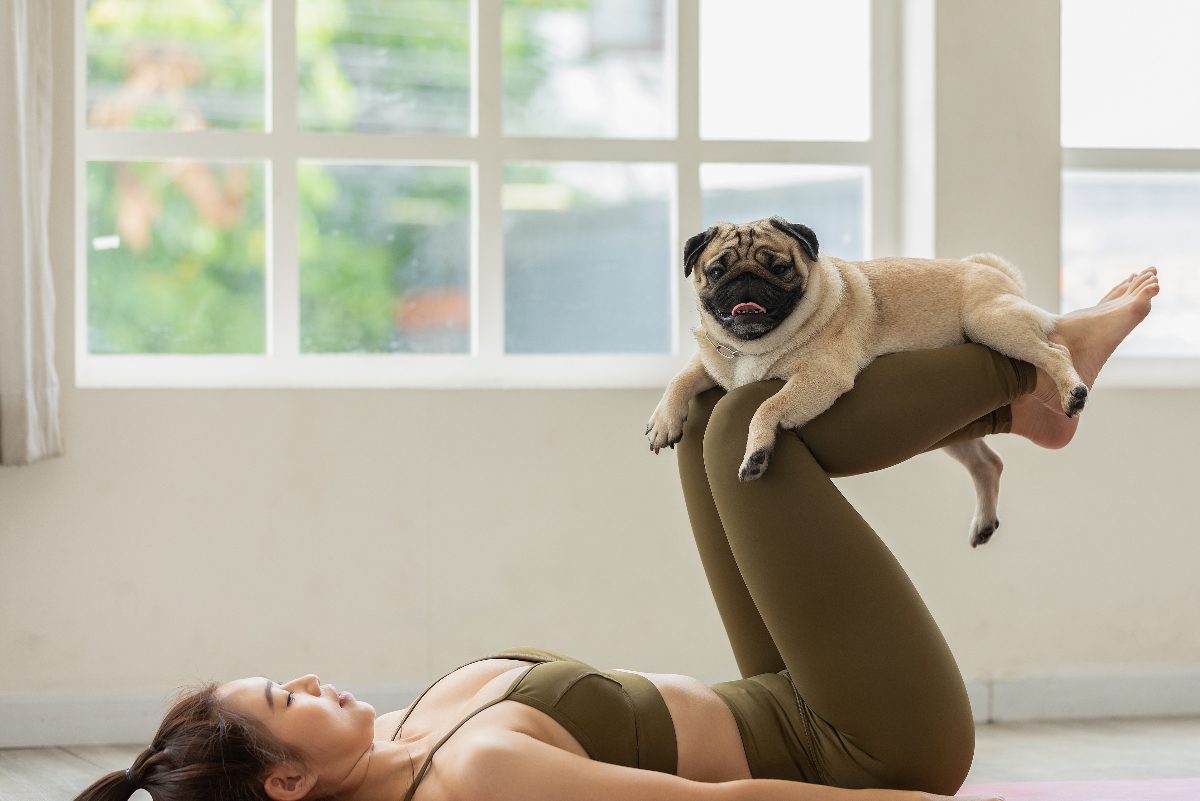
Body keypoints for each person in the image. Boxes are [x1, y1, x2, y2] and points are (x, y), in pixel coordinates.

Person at [73, 269, 1160, 801]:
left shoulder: (394, 737)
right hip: (869, 747)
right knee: (749, 426)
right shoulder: (470, 780)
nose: (309, 680)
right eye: (284, 703)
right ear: (287, 783)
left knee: (703, 429)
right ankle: (1031, 368)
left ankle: (1014, 406)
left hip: (784, 689)